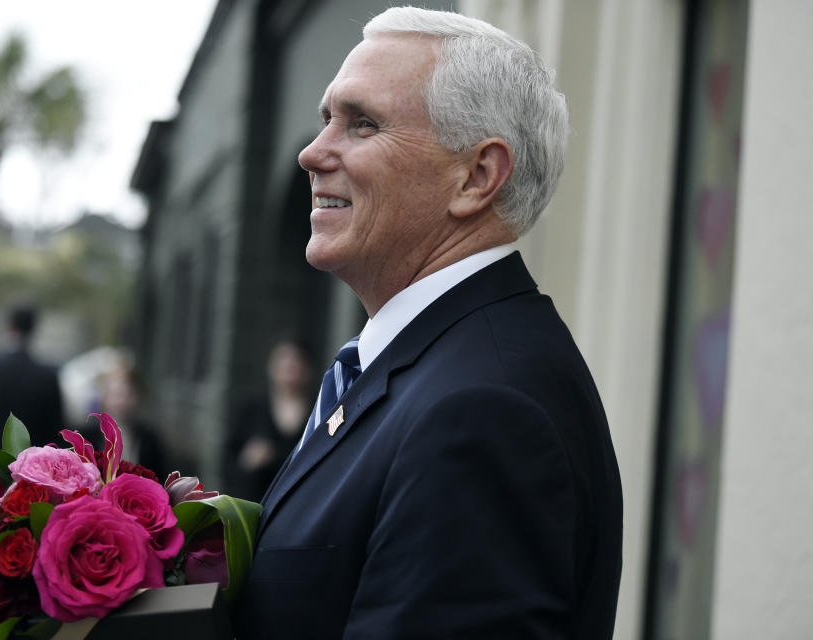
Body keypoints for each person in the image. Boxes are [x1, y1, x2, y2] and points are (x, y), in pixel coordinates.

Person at [233, 8, 622, 639]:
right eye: (325, 119)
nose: (311, 153)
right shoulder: (431, 368)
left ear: (475, 178)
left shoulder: (484, 408)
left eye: (362, 124)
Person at [223, 338, 314, 501]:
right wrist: (247, 460)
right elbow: (226, 463)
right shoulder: (251, 409)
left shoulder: (317, 412)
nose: (289, 366)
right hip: (253, 503)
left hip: (297, 503)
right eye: (283, 360)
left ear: (307, 369)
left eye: (295, 361)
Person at [0, 305, 64, 453]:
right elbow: (55, 432)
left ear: (9, 326)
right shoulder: (47, 377)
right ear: (33, 329)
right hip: (30, 471)